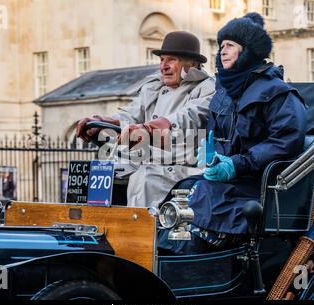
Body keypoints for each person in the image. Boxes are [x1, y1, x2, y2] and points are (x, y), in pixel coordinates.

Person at [158, 13, 307, 255]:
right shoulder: (224, 93)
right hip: (227, 182)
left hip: (256, 185)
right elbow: (216, 136)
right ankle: (166, 254)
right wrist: (209, 154)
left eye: (230, 46)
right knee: (183, 189)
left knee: (200, 198)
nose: (222, 51)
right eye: (221, 46)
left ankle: (185, 260)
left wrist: (236, 164)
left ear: (247, 51)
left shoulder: (279, 93)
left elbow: (285, 141)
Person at [75, 31, 215, 207]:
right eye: (161, 60)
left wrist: (150, 128)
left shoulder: (207, 88)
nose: (163, 66)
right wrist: (104, 122)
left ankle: (143, 232)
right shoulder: (154, 87)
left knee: (146, 178)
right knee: (99, 174)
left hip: (182, 168)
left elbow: (189, 116)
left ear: (193, 63)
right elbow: (130, 113)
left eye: (171, 60)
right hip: (145, 161)